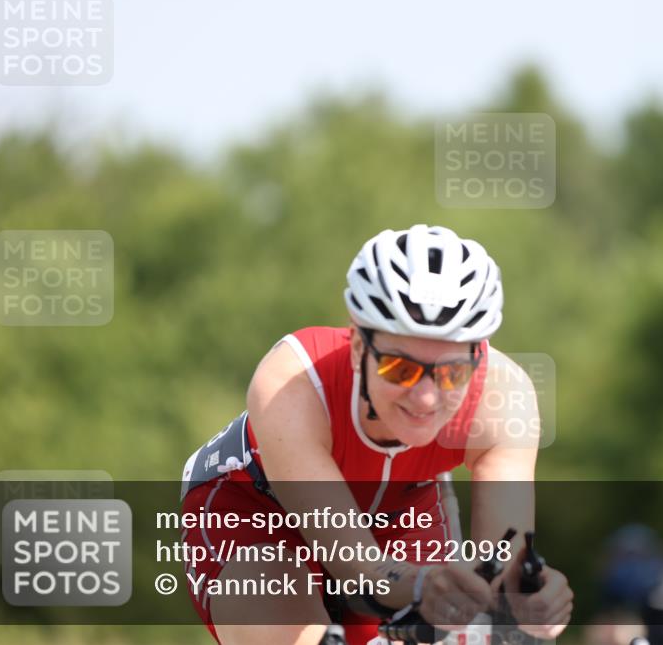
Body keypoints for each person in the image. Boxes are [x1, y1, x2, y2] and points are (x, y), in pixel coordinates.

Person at [179, 225, 573, 645]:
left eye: (452, 373)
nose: (424, 398)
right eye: (399, 369)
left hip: (399, 512)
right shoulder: (291, 383)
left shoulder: (502, 396)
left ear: (478, 360)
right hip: (254, 510)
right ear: (357, 348)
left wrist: (527, 597)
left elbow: (500, 569)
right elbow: (359, 567)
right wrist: (424, 586)